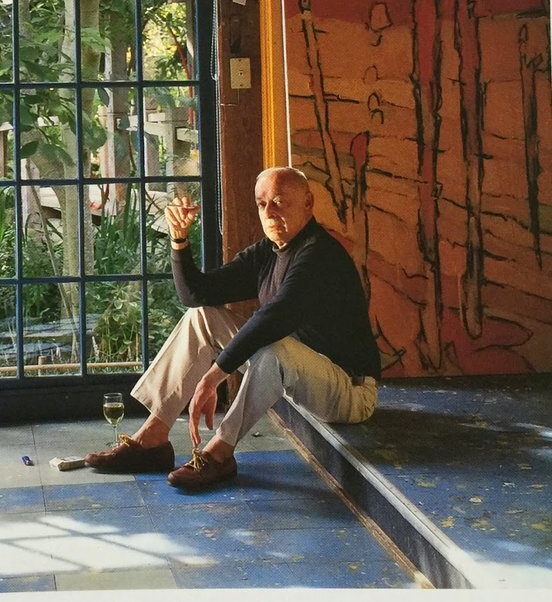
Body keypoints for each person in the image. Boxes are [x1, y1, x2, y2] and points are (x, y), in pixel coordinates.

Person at [84, 166, 381, 491]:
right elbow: (197, 293)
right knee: (203, 316)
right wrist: (179, 240)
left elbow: (275, 317)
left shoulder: (320, 255)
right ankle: (152, 439)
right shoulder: (269, 252)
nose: (269, 213)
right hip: (295, 374)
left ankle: (220, 453)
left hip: (349, 391)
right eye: (262, 204)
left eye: (279, 202)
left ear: (308, 203)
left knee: (274, 347)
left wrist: (213, 376)